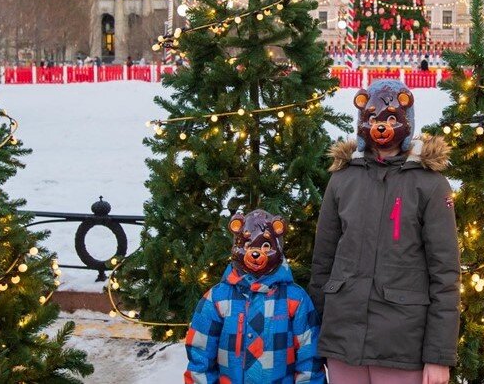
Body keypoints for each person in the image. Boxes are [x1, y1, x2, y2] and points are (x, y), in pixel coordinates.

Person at [310, 79, 460, 384]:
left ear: (407, 120)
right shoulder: (342, 180)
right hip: (344, 346)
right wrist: (320, 337)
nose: (382, 127)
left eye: (391, 119)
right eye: (374, 118)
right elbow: (322, 265)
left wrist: (438, 356)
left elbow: (445, 276)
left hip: (401, 348)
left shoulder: (429, 185)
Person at [185, 209, 324, 384]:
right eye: (248, 246)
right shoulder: (216, 299)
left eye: (266, 246)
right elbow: (200, 357)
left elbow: (309, 360)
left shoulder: (295, 299)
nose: (256, 253)